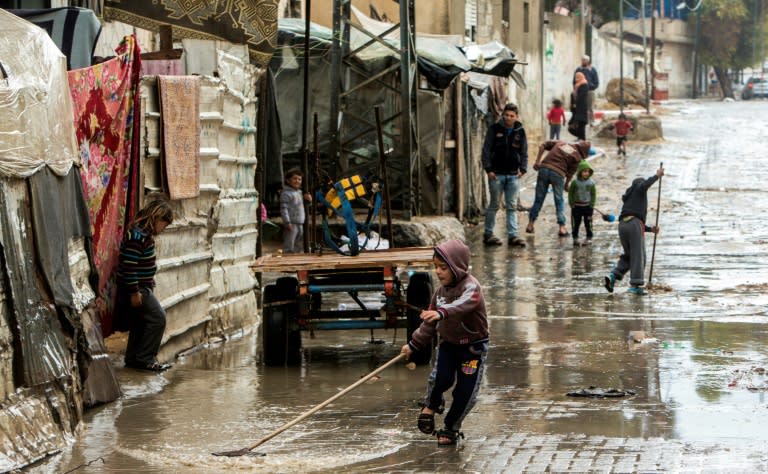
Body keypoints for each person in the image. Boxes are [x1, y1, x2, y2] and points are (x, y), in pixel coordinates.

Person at [401, 239, 489, 447]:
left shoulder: (471, 288)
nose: (438, 273)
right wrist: (413, 345)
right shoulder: (439, 294)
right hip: (449, 345)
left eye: (443, 267)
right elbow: (429, 325)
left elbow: (462, 305)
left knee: (465, 392)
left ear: (457, 267)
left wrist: (441, 313)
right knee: (440, 378)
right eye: (436, 267)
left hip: (472, 349)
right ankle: (431, 406)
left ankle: (451, 426)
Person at [117, 199, 174, 372]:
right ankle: (146, 358)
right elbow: (129, 265)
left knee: (140, 322)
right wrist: (134, 292)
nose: (162, 230)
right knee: (158, 319)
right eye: (163, 225)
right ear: (156, 219)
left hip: (142, 287)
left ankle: (133, 357)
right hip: (138, 289)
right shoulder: (137, 237)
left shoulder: (142, 235)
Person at [604, 166, 665, 295]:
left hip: (623, 225)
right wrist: (657, 176)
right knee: (639, 255)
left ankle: (614, 275)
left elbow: (635, 218)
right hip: (634, 225)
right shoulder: (638, 188)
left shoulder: (630, 197)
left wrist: (650, 229)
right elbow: (644, 186)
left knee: (629, 255)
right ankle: (635, 285)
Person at [481, 103, 528, 247]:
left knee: (511, 206)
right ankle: (488, 234)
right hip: (496, 175)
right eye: (506, 115)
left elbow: (524, 152)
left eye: (511, 116)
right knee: (494, 205)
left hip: (513, 175)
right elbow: (486, 150)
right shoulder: (494, 129)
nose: (508, 118)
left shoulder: (520, 131)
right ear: (503, 115)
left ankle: (513, 236)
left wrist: (523, 168)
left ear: (516, 117)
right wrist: (488, 169)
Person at [526, 140, 591, 237]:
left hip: (543, 169)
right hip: (558, 173)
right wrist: (566, 185)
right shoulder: (577, 157)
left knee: (538, 200)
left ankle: (530, 225)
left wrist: (537, 161)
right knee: (559, 201)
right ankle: (562, 228)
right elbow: (570, 173)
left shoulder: (561, 143)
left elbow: (543, 145)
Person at [280, 168, 312, 253]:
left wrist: (309, 200)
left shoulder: (300, 193)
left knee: (299, 245)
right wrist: (287, 222)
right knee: (289, 244)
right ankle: (287, 260)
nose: (297, 181)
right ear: (288, 180)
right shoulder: (286, 193)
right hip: (292, 223)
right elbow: (284, 209)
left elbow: (305, 207)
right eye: (294, 179)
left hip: (300, 222)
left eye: (299, 179)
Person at [568, 160, 597, 246]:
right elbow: (571, 193)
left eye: (588, 171)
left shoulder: (591, 183)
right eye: (584, 171)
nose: (586, 173)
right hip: (576, 207)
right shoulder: (575, 182)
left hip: (587, 207)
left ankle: (589, 237)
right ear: (580, 171)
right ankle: (575, 238)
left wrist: (592, 205)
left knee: (588, 223)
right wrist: (571, 203)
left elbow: (593, 194)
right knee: (576, 223)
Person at [574, 54, 599, 125]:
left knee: (590, 107)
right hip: (580, 91)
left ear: (588, 61)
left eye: (585, 60)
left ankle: (591, 121)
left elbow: (596, 81)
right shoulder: (578, 69)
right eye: (582, 60)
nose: (583, 61)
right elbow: (574, 80)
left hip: (589, 91)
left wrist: (592, 87)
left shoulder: (592, 69)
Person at [570, 71, 589, 141]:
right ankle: (581, 138)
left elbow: (581, 97)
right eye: (576, 77)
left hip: (582, 108)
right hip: (578, 109)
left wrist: (576, 102)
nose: (576, 78)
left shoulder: (584, 84)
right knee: (577, 125)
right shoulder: (577, 86)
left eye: (578, 77)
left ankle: (582, 139)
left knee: (581, 124)